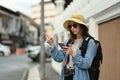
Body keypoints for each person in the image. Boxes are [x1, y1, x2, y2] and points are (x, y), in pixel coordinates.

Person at [44, 14, 97, 80]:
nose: (72, 28)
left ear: (81, 26)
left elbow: (86, 64)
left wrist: (73, 54)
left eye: (74, 25)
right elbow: (59, 58)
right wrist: (52, 44)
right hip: (66, 77)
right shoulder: (68, 41)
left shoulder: (90, 42)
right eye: (70, 26)